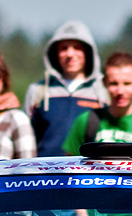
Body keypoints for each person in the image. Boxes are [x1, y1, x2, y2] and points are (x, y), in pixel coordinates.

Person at [24, 21, 107, 157]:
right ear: (55, 53)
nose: (70, 54)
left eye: (77, 47)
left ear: (88, 52)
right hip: (44, 173)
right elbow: (25, 139)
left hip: (89, 172)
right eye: (64, 48)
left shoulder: (104, 92)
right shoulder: (37, 90)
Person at [61, 52, 132, 153]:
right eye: (114, 84)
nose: (120, 91)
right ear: (104, 82)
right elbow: (70, 166)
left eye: (127, 84)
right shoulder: (85, 122)